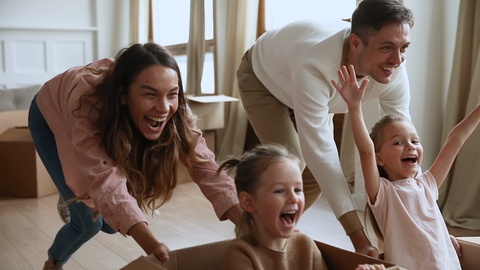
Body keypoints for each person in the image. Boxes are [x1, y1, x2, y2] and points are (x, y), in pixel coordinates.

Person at [28, 42, 242, 270]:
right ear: (123, 95)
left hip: (103, 119)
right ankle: (53, 262)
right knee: (88, 223)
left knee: (110, 224)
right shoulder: (88, 108)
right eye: (150, 95)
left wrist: (247, 224)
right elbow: (107, 182)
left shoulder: (177, 110)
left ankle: (76, 188)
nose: (163, 108)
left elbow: (206, 167)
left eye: (172, 94)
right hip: (50, 115)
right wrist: (154, 247)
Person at [236, 0, 414, 257]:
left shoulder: (394, 68)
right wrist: (359, 239)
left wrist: (424, 222)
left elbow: (404, 147)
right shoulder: (314, 63)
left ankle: (264, 230)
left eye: (404, 47)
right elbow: (322, 154)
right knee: (291, 166)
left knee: (314, 180)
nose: (397, 60)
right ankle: (253, 234)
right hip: (263, 77)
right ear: (355, 43)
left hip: (308, 84)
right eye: (387, 47)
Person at [332, 64, 480, 269]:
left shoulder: (427, 184)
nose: (410, 146)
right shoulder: (383, 193)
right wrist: (354, 107)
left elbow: (455, 139)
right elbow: (366, 150)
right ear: (380, 159)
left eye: (415, 141)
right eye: (398, 142)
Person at [219, 143, 387, 270]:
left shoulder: (305, 245)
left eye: (298, 189)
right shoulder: (240, 254)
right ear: (249, 202)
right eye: (279, 191)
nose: (293, 198)